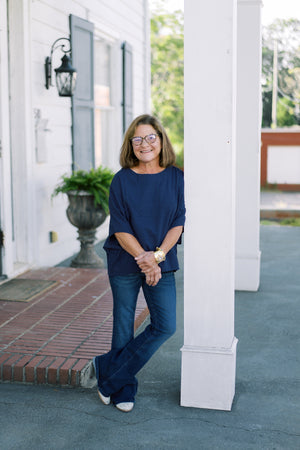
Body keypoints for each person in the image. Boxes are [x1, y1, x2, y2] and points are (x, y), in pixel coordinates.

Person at [92, 114, 185, 412]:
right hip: (124, 259)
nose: (145, 144)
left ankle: (108, 372)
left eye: (150, 137)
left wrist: (155, 257)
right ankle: (123, 389)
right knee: (123, 324)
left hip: (161, 260)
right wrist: (144, 260)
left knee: (165, 325)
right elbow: (120, 227)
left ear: (161, 140)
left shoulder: (176, 177)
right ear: (130, 145)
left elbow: (178, 222)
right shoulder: (121, 179)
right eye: (138, 139)